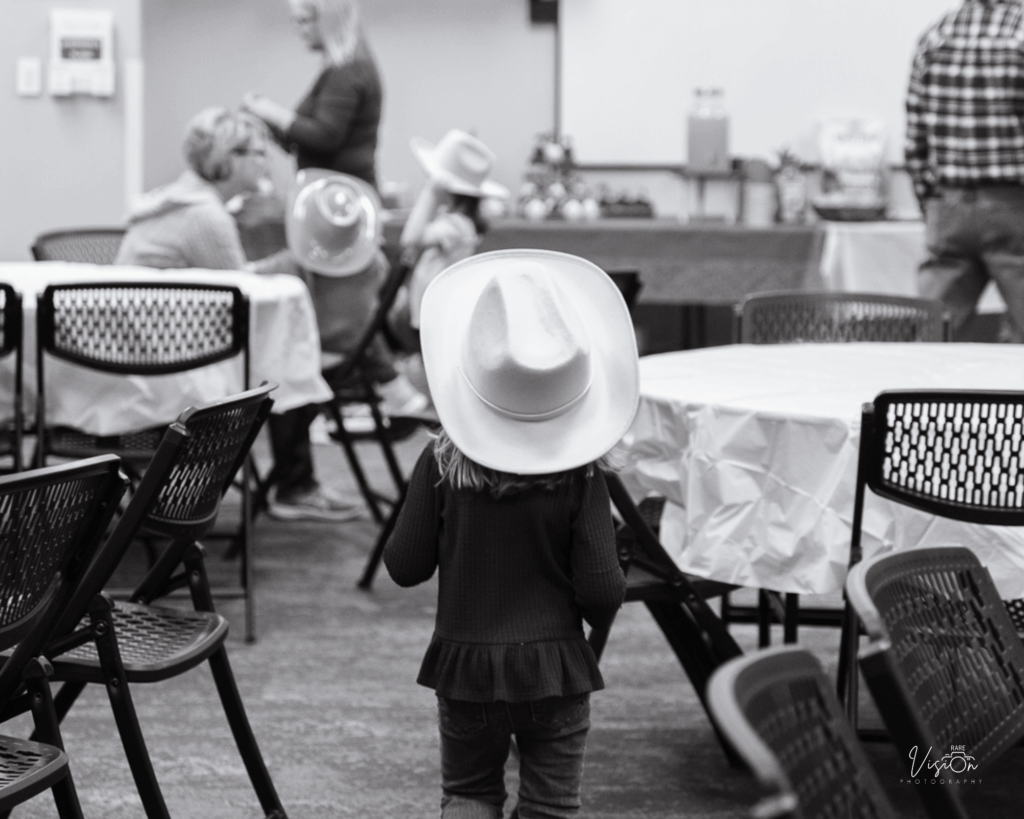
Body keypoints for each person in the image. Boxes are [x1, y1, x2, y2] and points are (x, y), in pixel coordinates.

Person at [383, 249, 638, 818]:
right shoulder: (583, 477)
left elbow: (405, 566)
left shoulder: (440, 464)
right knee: (551, 806)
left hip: (464, 671)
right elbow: (603, 593)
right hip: (556, 673)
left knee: (469, 795)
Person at [260, 168, 427, 520]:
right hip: (349, 355)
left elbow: (251, 275)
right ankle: (391, 385)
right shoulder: (376, 264)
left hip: (316, 359)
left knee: (272, 372)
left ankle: (293, 484)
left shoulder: (293, 265)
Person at [906, 0, 1024, 342]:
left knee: (931, 331)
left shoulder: (935, 33)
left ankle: (915, 393)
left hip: (949, 202)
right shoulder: (1020, 30)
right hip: (1013, 204)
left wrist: (929, 204)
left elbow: (916, 138)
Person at [389, 129, 509, 351]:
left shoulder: (454, 226)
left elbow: (410, 238)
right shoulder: (461, 222)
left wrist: (430, 194)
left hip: (433, 310)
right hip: (435, 307)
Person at [242, 0, 382, 189]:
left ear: (328, 20)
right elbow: (302, 142)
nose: (298, 29)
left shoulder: (348, 70)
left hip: (342, 195)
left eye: (303, 21)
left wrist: (272, 112)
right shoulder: (341, 69)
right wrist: (266, 120)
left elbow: (325, 137)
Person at [115, 107, 267, 269]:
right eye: (260, 153)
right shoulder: (206, 216)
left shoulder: (182, 199)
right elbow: (239, 289)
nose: (266, 164)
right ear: (231, 157)